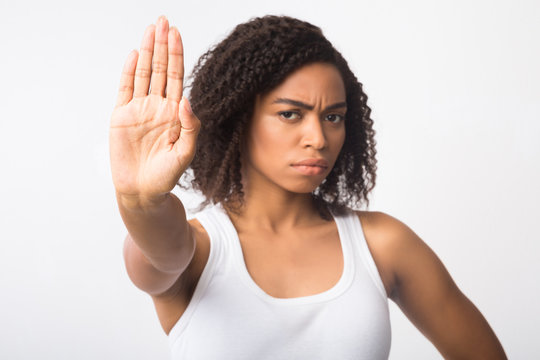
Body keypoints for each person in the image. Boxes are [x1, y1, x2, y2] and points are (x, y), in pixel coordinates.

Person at [110, 15, 507, 359]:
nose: (317, 137)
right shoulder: (199, 250)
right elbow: (158, 253)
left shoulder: (383, 244)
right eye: (290, 114)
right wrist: (140, 200)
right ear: (239, 117)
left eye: (333, 117)